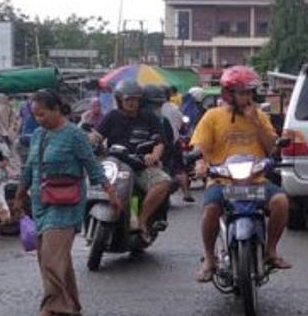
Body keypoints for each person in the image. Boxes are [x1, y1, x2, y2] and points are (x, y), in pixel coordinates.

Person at [14, 90, 119, 316]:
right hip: (41, 202)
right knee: (51, 255)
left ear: (56, 109)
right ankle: (70, 304)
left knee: (51, 256)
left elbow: (92, 166)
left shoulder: (74, 135)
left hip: (67, 203)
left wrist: (110, 191)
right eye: (35, 115)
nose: (38, 119)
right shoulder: (39, 135)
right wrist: (19, 196)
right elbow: (30, 168)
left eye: (42, 114)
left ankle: (50, 306)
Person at [192, 66, 290, 282]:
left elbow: (272, 147)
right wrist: (199, 162)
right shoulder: (213, 116)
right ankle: (210, 259)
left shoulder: (260, 116)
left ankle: (271, 251)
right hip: (222, 180)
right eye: (241, 92)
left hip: (255, 180)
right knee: (210, 209)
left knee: (281, 202)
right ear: (229, 93)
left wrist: (254, 121)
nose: (246, 97)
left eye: (248, 92)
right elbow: (200, 145)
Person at [91, 81, 171, 239]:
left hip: (141, 165)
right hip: (116, 164)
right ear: (120, 100)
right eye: (128, 99)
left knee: (163, 182)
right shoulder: (112, 116)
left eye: (135, 99)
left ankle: (142, 220)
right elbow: (98, 135)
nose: (132, 103)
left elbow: (159, 141)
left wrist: (154, 155)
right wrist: (90, 140)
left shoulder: (148, 117)